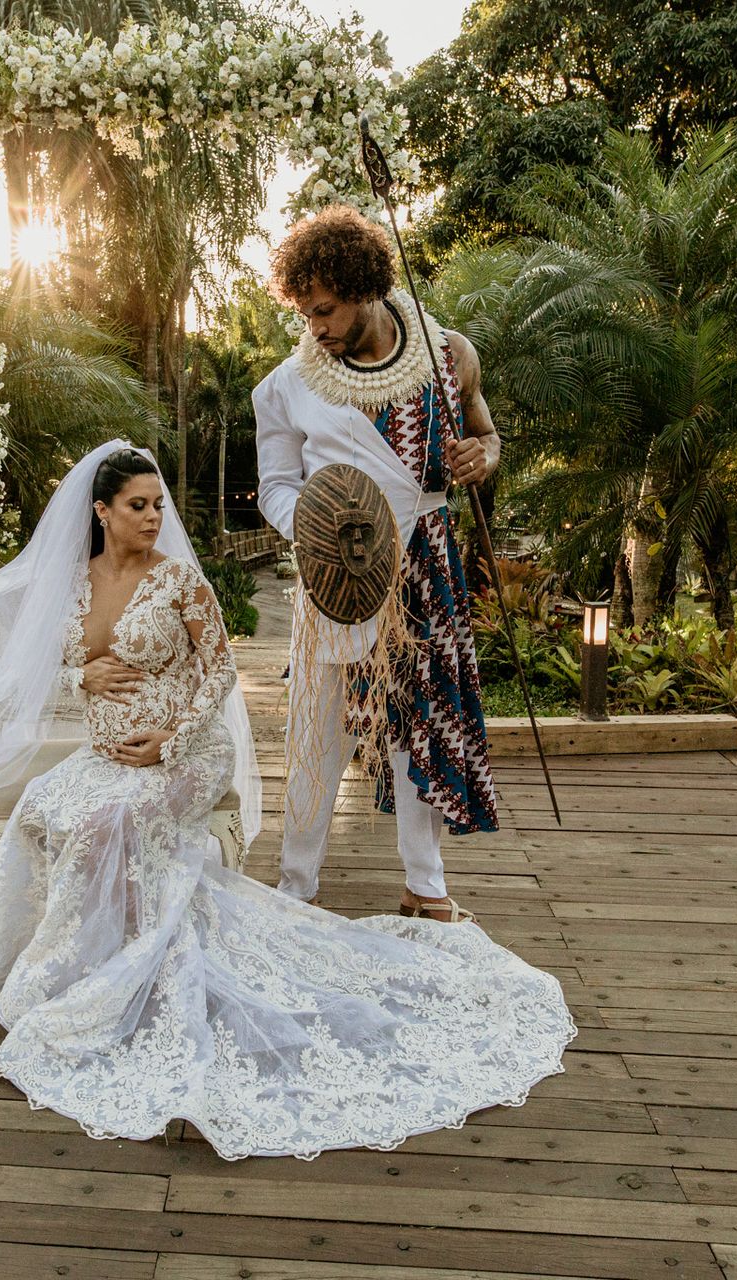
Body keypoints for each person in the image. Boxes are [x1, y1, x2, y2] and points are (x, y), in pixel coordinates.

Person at [0, 440, 574, 1160]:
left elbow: (218, 678)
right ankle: (77, 958)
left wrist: (169, 739)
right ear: (101, 511)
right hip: (107, 754)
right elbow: (55, 666)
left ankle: (118, 966)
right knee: (40, 805)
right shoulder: (74, 583)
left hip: (184, 753)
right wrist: (81, 681)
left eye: (159, 504)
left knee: (111, 819)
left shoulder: (182, 581)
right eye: (138, 506)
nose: (154, 516)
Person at [254, 205, 502, 922]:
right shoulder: (286, 385)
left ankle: (424, 884)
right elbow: (275, 485)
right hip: (338, 569)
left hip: (424, 559)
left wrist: (478, 458)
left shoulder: (448, 353)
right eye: (304, 313)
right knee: (319, 724)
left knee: (415, 722)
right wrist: (320, 534)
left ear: (362, 288)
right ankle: (296, 882)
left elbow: (488, 439)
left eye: (325, 310)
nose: (315, 327)